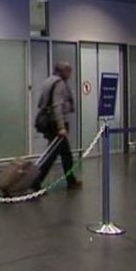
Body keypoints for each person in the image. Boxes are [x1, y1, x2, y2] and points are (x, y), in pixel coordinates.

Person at [33, 61, 83, 191]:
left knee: (65, 154)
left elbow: (40, 103)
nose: (70, 74)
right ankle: (35, 182)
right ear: (62, 71)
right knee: (52, 155)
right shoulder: (60, 84)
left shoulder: (48, 81)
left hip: (49, 122)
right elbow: (57, 105)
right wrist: (61, 127)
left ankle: (71, 180)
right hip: (56, 124)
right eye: (68, 71)